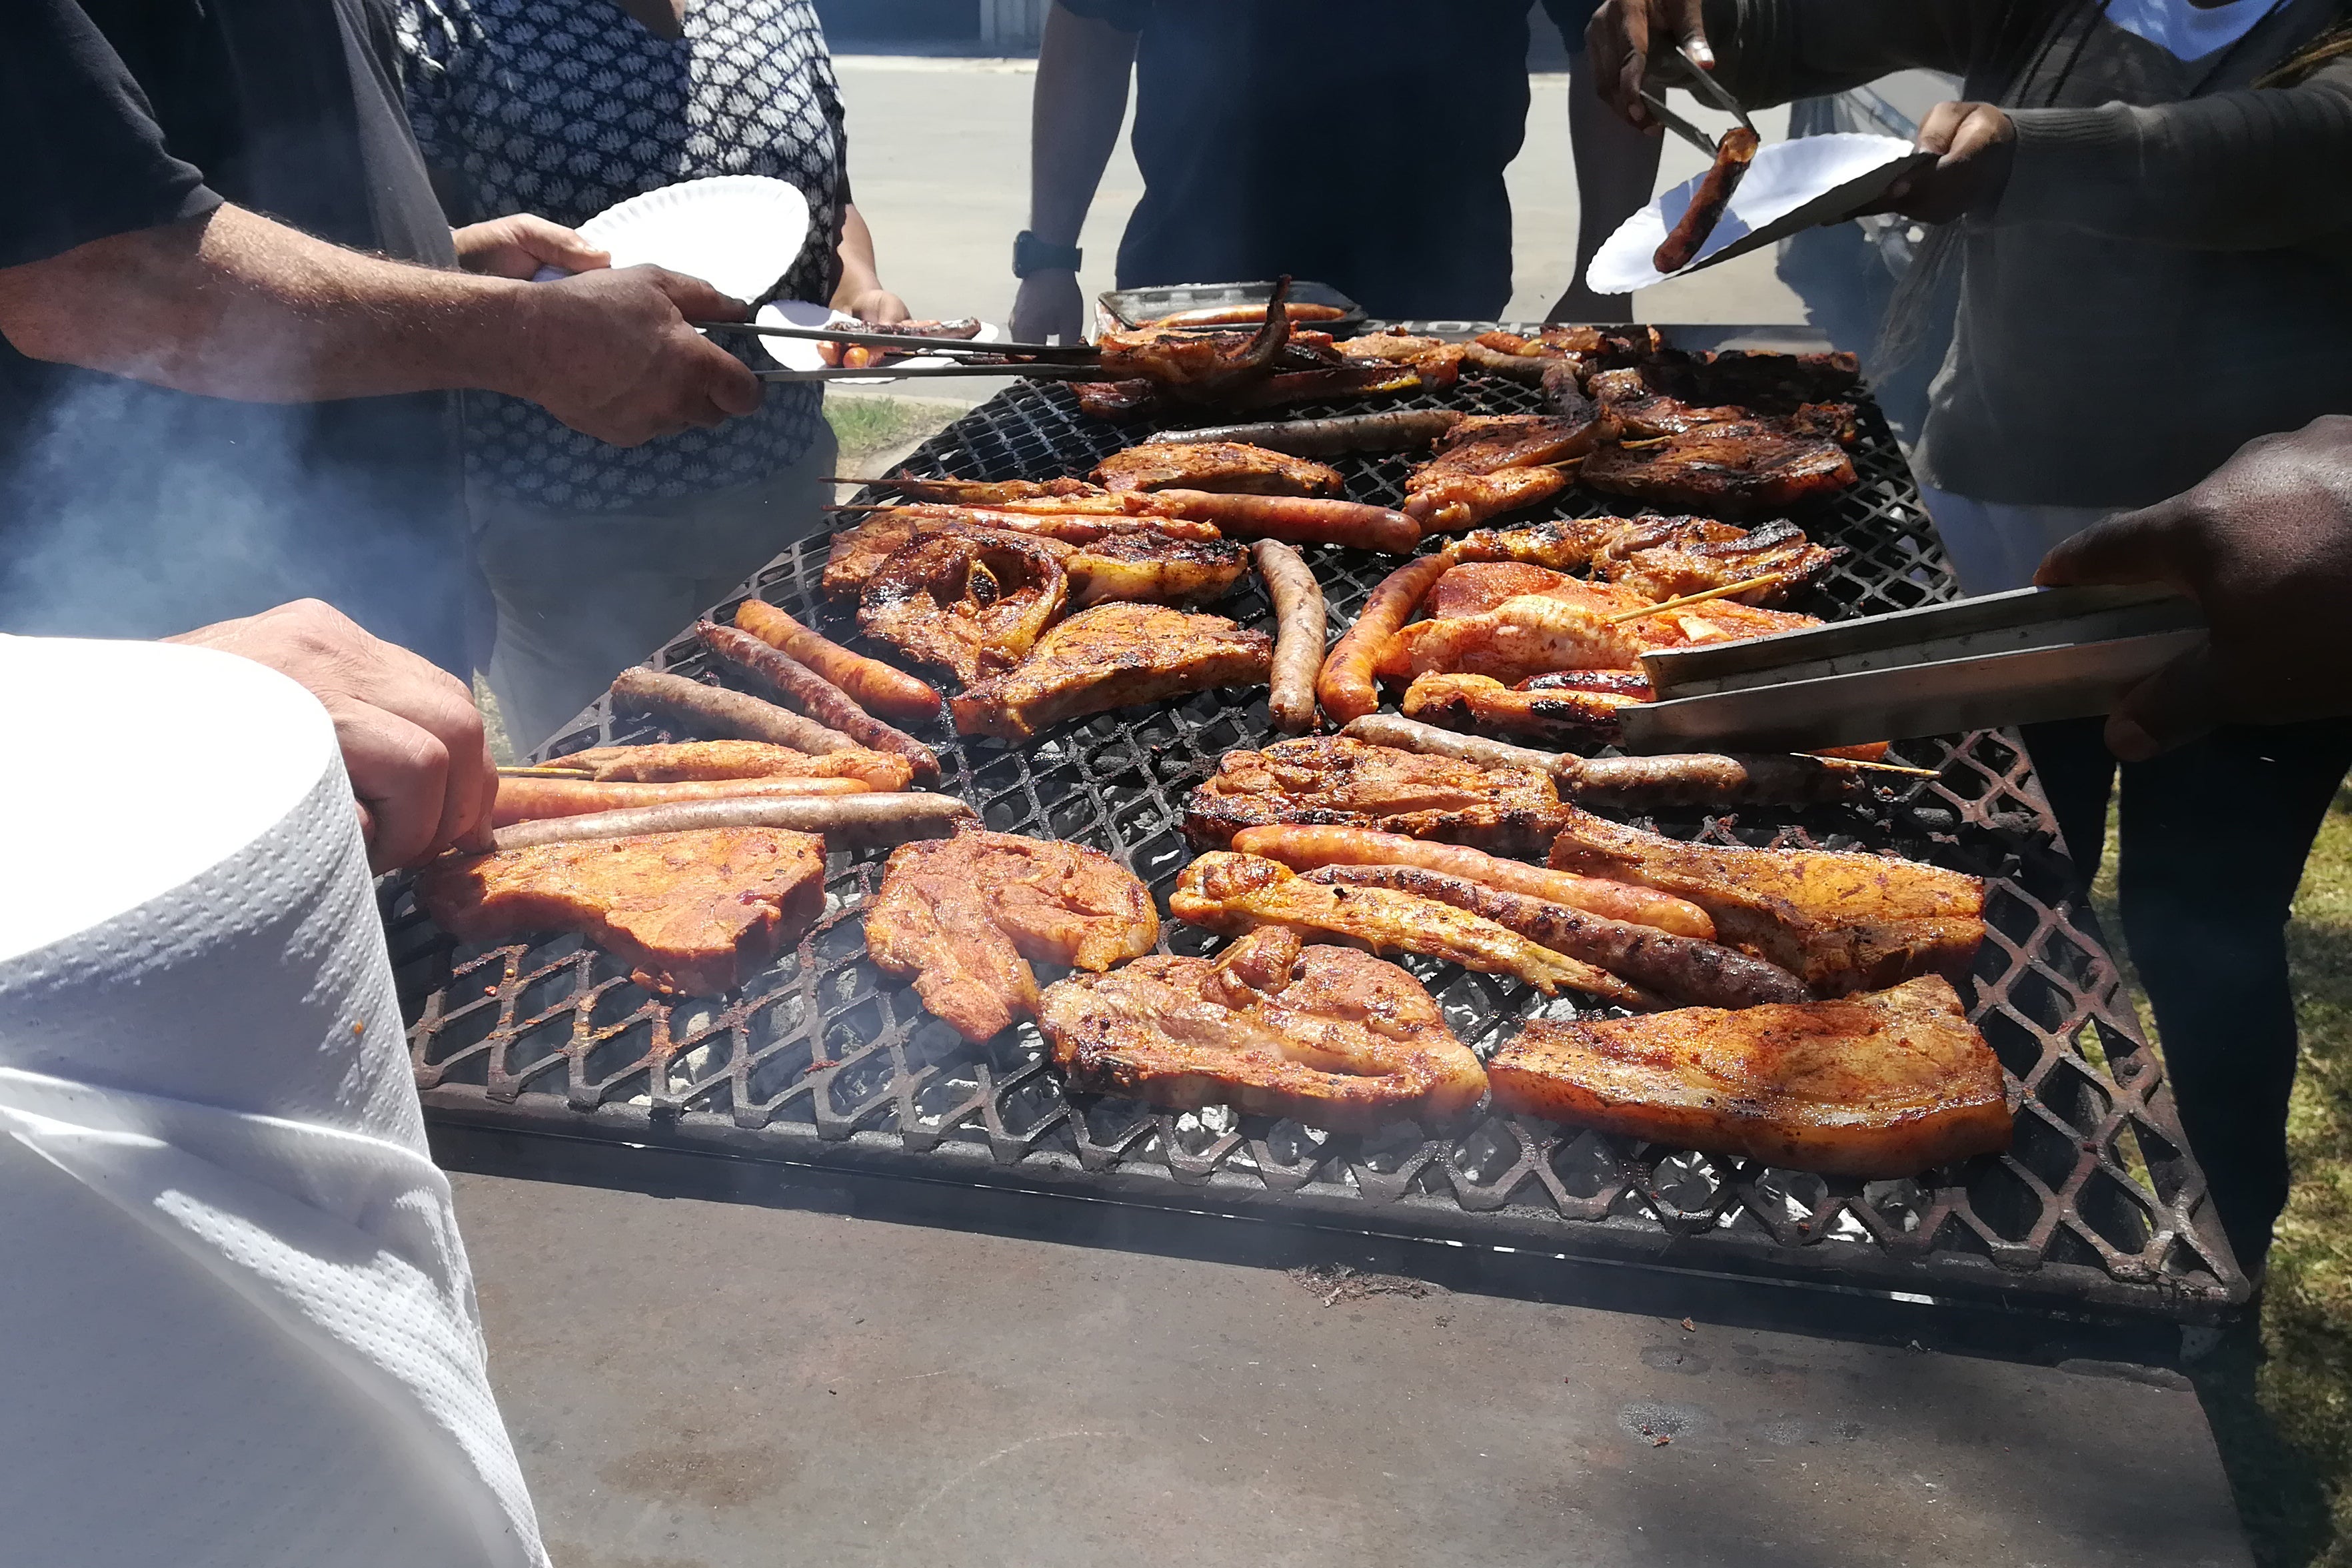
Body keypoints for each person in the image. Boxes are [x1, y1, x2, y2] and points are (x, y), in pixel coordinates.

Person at [1589, 0, 2352, 1267]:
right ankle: (2000, 1201)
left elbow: (2288, 146)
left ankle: (2221, 1264)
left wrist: (2018, 149)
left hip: (2264, 576)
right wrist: (1695, 23)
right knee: (1980, 891)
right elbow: (1824, 24)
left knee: (2201, 924)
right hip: (1991, 526)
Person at [0, 0, 762, 681]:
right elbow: (84, 276)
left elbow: (231, 181)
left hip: (380, 599)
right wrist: (524, 334)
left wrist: (444, 263)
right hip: (178, 642)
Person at [397, 0, 909, 750]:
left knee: (822, 756)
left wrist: (857, 289)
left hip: (782, 486)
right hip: (570, 526)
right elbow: (394, 256)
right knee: (620, 805)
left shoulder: (771, 7)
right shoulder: (444, 20)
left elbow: (828, 198)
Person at [1009, 0, 1664, 343]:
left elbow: (1614, 40)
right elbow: (1091, 28)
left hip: (1434, 301)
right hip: (1191, 297)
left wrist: (1602, 283)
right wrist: (1047, 256)